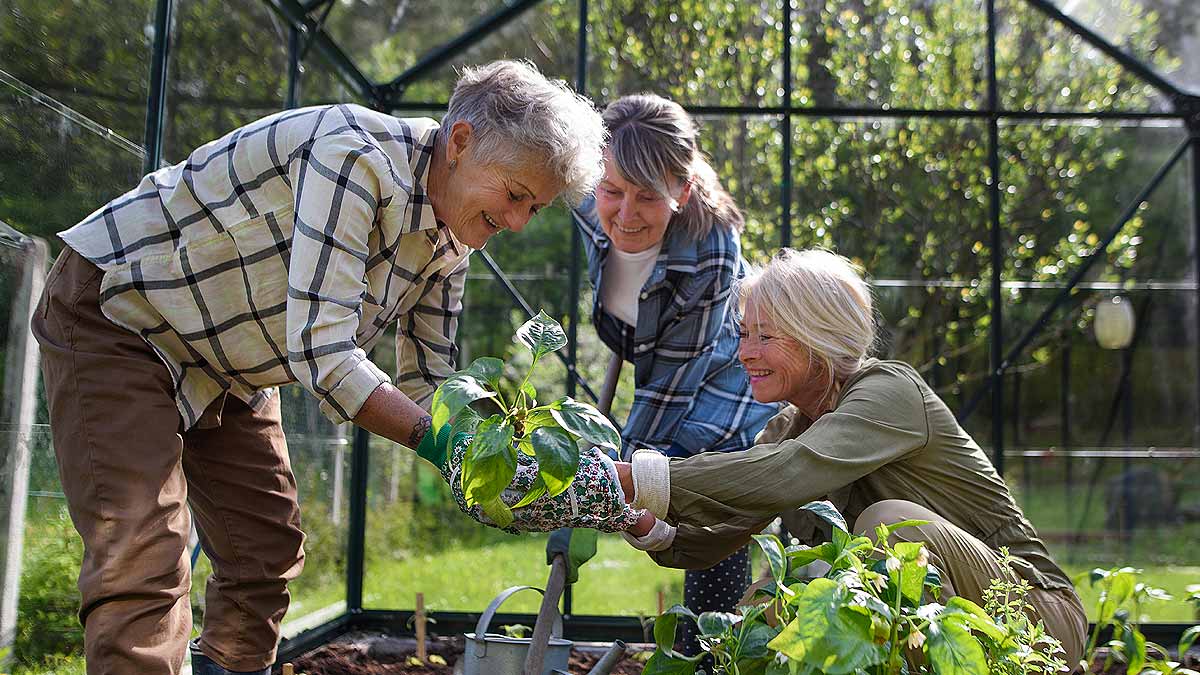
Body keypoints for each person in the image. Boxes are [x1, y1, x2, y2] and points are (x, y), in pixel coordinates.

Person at [31, 59, 606, 675]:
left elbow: (431, 385)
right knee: (142, 555)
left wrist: (511, 454)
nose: (517, 221)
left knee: (263, 551)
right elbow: (324, 353)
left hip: (233, 360)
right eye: (515, 195)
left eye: (535, 209)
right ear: (460, 142)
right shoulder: (356, 158)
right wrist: (446, 447)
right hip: (125, 313)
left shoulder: (453, 240)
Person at [609, 248, 1088, 665]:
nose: (745, 354)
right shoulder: (786, 430)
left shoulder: (890, 392)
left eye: (765, 337)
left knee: (891, 523)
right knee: (762, 613)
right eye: (742, 334)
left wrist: (642, 475)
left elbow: (791, 471)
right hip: (932, 621)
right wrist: (634, 516)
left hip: (1033, 622)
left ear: (819, 337)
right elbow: (721, 532)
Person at [571, 93, 778, 653]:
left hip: (723, 381)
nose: (626, 214)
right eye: (611, 191)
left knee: (708, 506)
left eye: (648, 197)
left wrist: (611, 479)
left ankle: (704, 652)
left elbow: (672, 386)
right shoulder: (587, 196)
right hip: (650, 355)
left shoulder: (709, 245)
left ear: (681, 193)